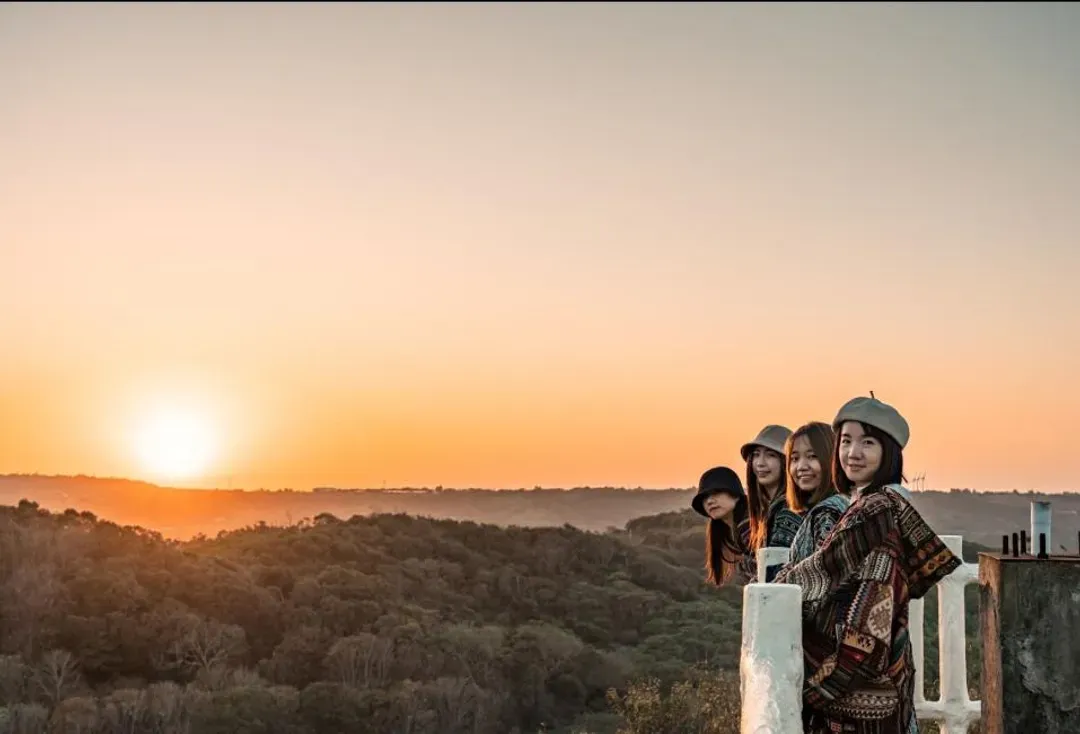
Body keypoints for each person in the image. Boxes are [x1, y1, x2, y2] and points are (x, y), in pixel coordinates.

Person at [773, 395, 961, 734]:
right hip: (889, 669)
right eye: (846, 441)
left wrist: (777, 586)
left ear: (888, 452)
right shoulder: (882, 502)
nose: (853, 453)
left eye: (867, 443)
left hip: (858, 682)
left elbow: (823, 571)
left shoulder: (875, 509)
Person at [783, 421, 849, 566]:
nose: (801, 467)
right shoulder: (829, 507)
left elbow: (823, 573)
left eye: (812, 456)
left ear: (832, 459)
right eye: (794, 459)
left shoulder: (828, 513)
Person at [741, 424, 801, 554]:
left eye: (771, 455)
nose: (760, 463)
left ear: (786, 462)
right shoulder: (768, 509)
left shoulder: (789, 511)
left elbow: (776, 568)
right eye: (756, 455)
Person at [690, 466, 753, 586]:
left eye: (716, 493)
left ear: (735, 495)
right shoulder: (735, 532)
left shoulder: (750, 526)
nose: (709, 501)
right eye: (705, 498)